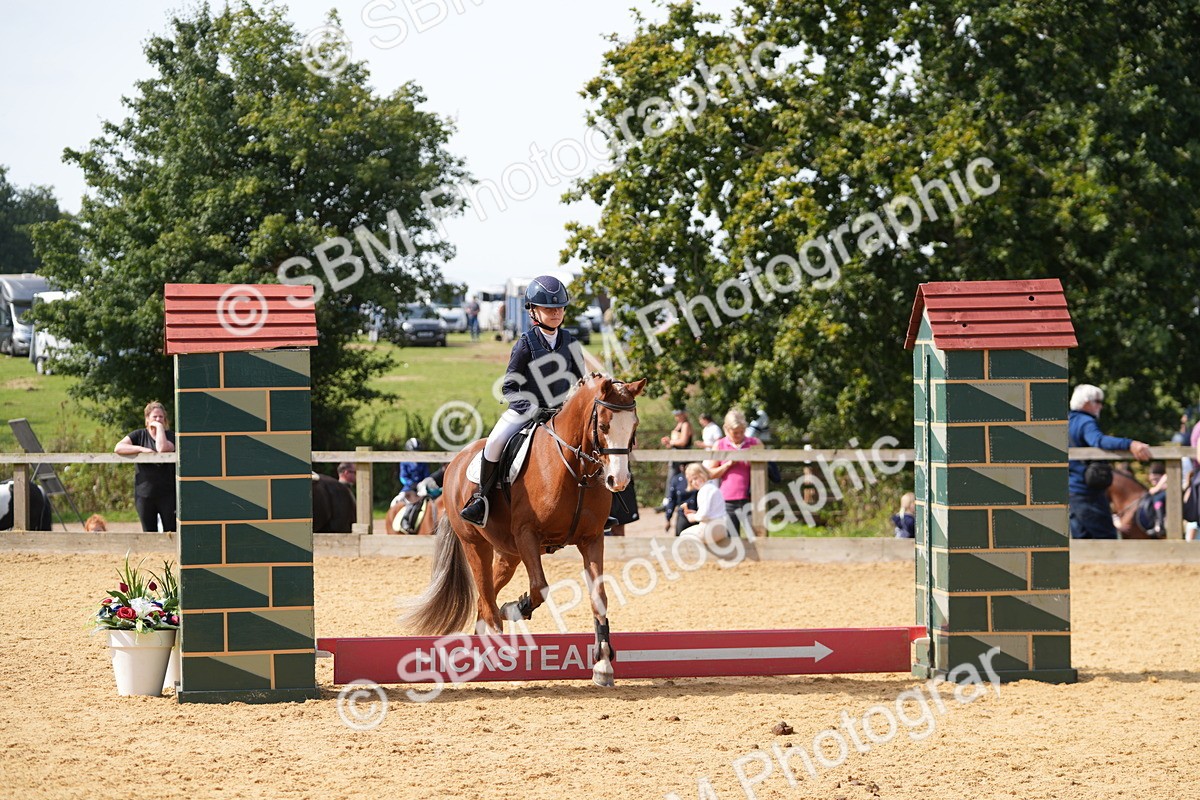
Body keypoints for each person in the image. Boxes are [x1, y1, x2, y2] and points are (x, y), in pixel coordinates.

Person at [461, 275, 587, 525]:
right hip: (526, 411)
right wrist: (532, 410)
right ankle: (481, 500)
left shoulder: (571, 343)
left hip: (561, 413)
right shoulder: (525, 344)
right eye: (549, 309)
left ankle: (612, 504)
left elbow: (581, 383)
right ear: (533, 311)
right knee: (495, 441)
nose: (556, 313)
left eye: (560, 308)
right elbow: (509, 387)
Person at [1068, 384, 1151, 539]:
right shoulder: (1086, 422)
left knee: (1081, 541)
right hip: (1088, 493)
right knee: (1107, 539)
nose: (1101, 406)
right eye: (1098, 401)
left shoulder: (1067, 422)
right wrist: (1130, 444)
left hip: (1071, 491)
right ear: (1087, 402)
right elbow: (1098, 440)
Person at [114, 401, 177, 532]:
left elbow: (162, 448)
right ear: (147, 419)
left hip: (168, 494)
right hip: (144, 495)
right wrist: (141, 449)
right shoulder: (139, 435)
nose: (158, 419)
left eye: (161, 417)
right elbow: (118, 447)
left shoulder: (171, 436)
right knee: (148, 532)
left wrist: (159, 428)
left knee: (171, 531)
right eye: (155, 417)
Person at [704, 409, 761, 538]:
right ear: (726, 429)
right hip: (727, 500)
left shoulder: (755, 443)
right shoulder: (719, 445)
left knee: (756, 537)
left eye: (742, 432)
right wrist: (728, 464)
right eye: (735, 433)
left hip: (751, 498)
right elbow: (710, 473)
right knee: (731, 539)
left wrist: (752, 462)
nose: (739, 435)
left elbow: (766, 468)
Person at [680, 463, 728, 548]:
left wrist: (693, 517)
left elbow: (704, 514)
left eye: (695, 478)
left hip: (710, 530)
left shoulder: (703, 490)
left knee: (683, 534)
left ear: (702, 474)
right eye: (691, 481)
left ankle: (695, 559)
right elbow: (712, 512)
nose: (694, 482)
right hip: (722, 529)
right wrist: (696, 513)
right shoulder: (714, 488)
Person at [659, 409, 693, 507]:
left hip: (682, 457)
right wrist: (668, 443)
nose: (676, 416)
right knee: (672, 479)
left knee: (680, 479)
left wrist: (671, 442)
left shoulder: (685, 425)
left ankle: (677, 501)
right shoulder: (678, 425)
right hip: (675, 456)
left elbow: (683, 441)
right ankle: (669, 501)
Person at [662, 463, 697, 536]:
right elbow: (672, 500)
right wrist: (668, 518)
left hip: (697, 514)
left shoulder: (697, 479)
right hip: (683, 514)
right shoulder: (676, 480)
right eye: (681, 465)